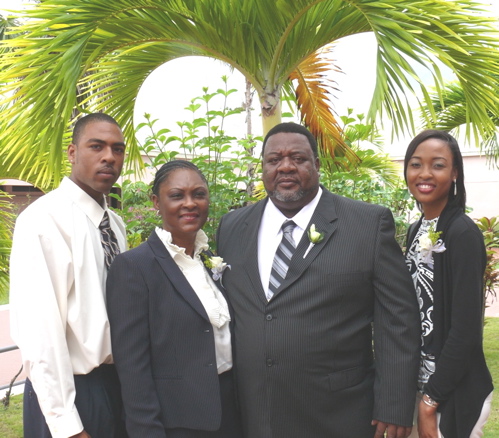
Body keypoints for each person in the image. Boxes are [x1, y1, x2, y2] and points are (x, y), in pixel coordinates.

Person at [216, 122, 421, 438]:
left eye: (297, 158)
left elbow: (398, 321)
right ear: (263, 167)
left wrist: (394, 404)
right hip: (255, 413)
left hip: (338, 414)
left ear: (317, 165)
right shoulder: (232, 227)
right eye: (274, 160)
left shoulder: (367, 225)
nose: (285, 166)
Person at [9, 113, 128, 438]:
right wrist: (66, 424)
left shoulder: (115, 226)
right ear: (73, 153)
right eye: (97, 146)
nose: (109, 157)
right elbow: (41, 333)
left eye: (118, 149)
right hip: (71, 390)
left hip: (116, 386)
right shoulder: (43, 220)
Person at [106, 160, 242, 438]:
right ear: (156, 202)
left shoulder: (208, 259)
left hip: (231, 412)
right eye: (177, 195)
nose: (190, 203)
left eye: (199, 194)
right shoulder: (135, 266)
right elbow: (133, 367)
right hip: (178, 423)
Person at [404, 130, 493, 438]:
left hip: (449, 393)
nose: (424, 174)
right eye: (416, 164)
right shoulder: (417, 230)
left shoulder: (462, 234)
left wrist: (431, 401)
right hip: (422, 385)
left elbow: (466, 328)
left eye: (438, 165)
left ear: (455, 173)